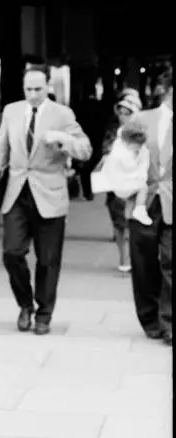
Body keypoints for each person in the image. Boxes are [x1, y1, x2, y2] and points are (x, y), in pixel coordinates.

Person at [0, 64, 92, 335]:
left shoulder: (62, 114)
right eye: (28, 89)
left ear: (48, 88)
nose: (32, 94)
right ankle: (25, 304)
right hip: (16, 192)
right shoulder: (11, 111)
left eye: (38, 89)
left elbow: (85, 150)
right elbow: (1, 152)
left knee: (48, 259)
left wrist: (62, 138)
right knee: (12, 253)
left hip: (50, 194)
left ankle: (44, 313)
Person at [128, 67, 172, 345]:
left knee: (170, 260)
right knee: (143, 262)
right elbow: (121, 154)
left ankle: (169, 321)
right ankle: (149, 317)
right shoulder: (141, 119)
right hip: (143, 198)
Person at [93, 91, 145, 271]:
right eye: (121, 111)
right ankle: (124, 259)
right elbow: (105, 149)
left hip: (136, 182)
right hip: (115, 182)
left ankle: (133, 257)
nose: (123, 115)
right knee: (119, 222)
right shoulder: (113, 131)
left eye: (127, 112)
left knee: (133, 222)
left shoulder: (142, 131)